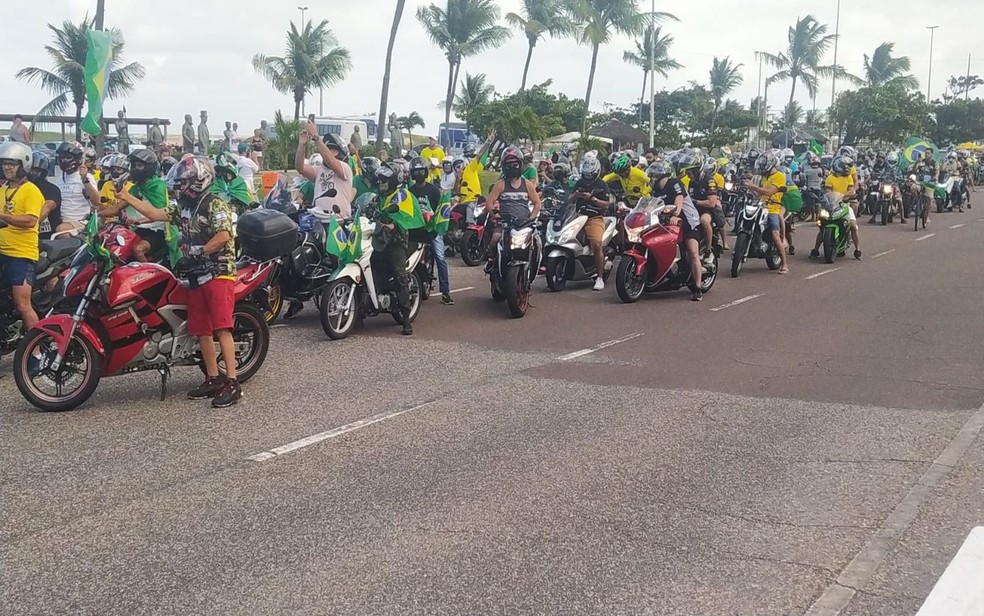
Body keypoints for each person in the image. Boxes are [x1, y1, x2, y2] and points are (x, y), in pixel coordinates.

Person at [125, 156, 241, 407]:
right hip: (196, 274)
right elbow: (155, 213)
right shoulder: (184, 206)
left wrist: (198, 253)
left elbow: (222, 235)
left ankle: (232, 381)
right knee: (201, 329)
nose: (179, 188)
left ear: (198, 181)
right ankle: (213, 377)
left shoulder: (215, 204)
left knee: (222, 327)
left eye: (184, 183)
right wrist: (127, 198)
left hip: (218, 272)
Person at [0, 142, 44, 330]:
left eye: (12, 163)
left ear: (23, 165)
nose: (7, 167)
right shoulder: (3, 190)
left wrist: (2, 216)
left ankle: (37, 350)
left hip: (20, 256)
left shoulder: (31, 190)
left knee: (23, 305)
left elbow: (30, 221)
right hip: (2, 253)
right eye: (4, 163)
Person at [647, 160, 704, 301]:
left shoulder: (674, 183)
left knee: (692, 252)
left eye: (654, 174)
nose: (652, 177)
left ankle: (697, 287)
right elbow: (650, 204)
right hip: (667, 223)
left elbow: (679, 199)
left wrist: (675, 214)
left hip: (688, 221)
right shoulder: (656, 189)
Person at [375, 163, 420, 335]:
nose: (381, 183)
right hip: (378, 240)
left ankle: (406, 319)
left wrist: (393, 225)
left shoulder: (403, 196)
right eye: (380, 180)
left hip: (396, 242)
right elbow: (367, 208)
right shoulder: (379, 196)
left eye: (385, 180)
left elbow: (406, 217)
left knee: (399, 275)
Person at [408, 157, 454, 306]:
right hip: (415, 230)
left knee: (440, 258)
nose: (419, 173)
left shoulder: (434, 190)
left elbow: (440, 210)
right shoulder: (409, 191)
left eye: (422, 170)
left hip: (432, 230)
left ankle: (446, 292)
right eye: (416, 171)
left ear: (426, 172)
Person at [484, 147, 543, 260]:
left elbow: (537, 203)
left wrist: (531, 218)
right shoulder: (500, 184)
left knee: (536, 242)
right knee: (495, 239)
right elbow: (489, 203)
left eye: (515, 165)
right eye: (509, 165)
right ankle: (492, 261)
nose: (512, 168)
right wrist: (496, 215)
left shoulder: (528, 184)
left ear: (520, 165)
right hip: (505, 224)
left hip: (524, 224)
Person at [111, 150, 169, 263]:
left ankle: (148, 275)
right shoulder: (136, 188)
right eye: (133, 165)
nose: (135, 169)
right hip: (140, 228)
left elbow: (157, 214)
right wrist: (95, 214)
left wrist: (139, 221)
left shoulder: (158, 186)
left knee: (138, 249)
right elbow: (116, 208)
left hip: (157, 230)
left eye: (139, 165)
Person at [743, 150, 790, 274]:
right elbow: (759, 194)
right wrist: (749, 187)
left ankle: (784, 264)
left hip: (773, 208)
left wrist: (752, 186)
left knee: (775, 235)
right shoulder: (764, 177)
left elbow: (769, 192)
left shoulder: (780, 176)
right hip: (760, 206)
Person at [570, 152, 611, 291]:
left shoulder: (602, 184)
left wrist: (592, 199)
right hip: (577, 217)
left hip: (594, 218)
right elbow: (569, 200)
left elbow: (606, 204)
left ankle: (599, 277)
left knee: (596, 244)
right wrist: (575, 195)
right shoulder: (579, 182)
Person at [811, 155, 862, 261]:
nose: (847, 168)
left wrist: (843, 196)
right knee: (823, 226)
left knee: (853, 226)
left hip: (844, 204)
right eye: (845, 166)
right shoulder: (830, 178)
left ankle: (857, 250)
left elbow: (852, 190)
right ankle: (815, 250)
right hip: (831, 205)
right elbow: (828, 193)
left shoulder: (848, 178)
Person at [686, 156, 723, 265]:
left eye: (690, 173)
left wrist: (695, 202)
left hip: (707, 211)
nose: (688, 175)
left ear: (697, 171)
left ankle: (708, 249)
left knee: (704, 221)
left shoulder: (710, 181)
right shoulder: (691, 182)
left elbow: (711, 203)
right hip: (693, 210)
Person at [51, 141, 95, 233]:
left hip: (79, 221)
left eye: (68, 157)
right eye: (62, 157)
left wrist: (85, 179)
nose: (64, 160)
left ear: (78, 159)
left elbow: (97, 201)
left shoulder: (87, 177)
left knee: (61, 230)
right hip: (60, 220)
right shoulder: (59, 179)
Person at [456, 132, 496, 223]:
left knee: (469, 210)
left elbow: (479, 155)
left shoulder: (469, 168)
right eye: (456, 166)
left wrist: (488, 142)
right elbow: (456, 192)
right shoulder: (457, 176)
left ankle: (470, 225)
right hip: (461, 203)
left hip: (474, 200)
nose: (458, 167)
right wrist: (458, 178)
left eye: (460, 165)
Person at [27, 151, 61, 240]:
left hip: (47, 237)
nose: (33, 173)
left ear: (44, 172)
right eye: (32, 169)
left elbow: (46, 209)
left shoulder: (52, 189)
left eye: (37, 171)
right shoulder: (21, 188)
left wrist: (25, 225)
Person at [91, 153, 133, 224]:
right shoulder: (107, 185)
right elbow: (102, 206)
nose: (115, 172)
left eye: (119, 169)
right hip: (107, 223)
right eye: (113, 169)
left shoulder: (132, 188)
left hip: (126, 224)